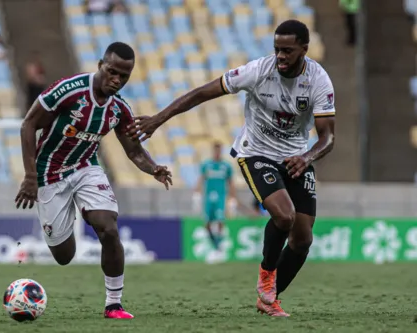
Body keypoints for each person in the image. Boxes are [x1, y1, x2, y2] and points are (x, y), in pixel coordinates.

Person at [127, 20, 335, 317]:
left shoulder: (318, 80)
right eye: (277, 49)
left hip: (297, 158)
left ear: (304, 49)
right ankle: (266, 276)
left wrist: (308, 157)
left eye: (288, 51)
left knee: (302, 240)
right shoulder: (257, 71)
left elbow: (328, 137)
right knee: (284, 215)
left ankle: (269, 298)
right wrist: (159, 119)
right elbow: (202, 93)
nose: (281, 56)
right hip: (256, 153)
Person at [15, 42, 172, 319]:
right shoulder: (68, 91)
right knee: (64, 256)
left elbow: (134, 151)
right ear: (101, 64)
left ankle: (114, 304)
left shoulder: (119, 109)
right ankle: (67, 215)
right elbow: (28, 124)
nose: (117, 80)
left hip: (86, 168)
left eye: (124, 76)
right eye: (112, 72)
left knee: (109, 229)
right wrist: (30, 176)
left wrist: (153, 168)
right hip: (48, 173)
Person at [193, 142, 237, 252]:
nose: (217, 153)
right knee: (207, 223)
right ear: (213, 151)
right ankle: (215, 244)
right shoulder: (206, 165)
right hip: (208, 198)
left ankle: (219, 247)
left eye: (219, 150)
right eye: (215, 150)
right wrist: (197, 191)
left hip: (221, 198)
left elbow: (230, 182)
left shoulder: (226, 166)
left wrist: (232, 197)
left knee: (220, 221)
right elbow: (201, 179)